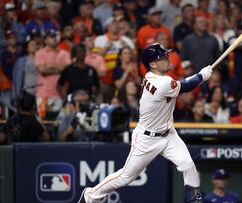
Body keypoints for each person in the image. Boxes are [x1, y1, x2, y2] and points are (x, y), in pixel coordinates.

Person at [77, 43, 213, 203]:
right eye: (163, 57)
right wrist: (202, 76)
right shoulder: (161, 83)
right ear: (153, 64)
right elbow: (187, 85)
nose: (168, 58)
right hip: (147, 138)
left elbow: (181, 83)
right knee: (125, 177)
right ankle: (90, 195)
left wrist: (199, 76)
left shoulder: (153, 76)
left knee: (188, 165)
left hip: (169, 135)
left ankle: (194, 200)